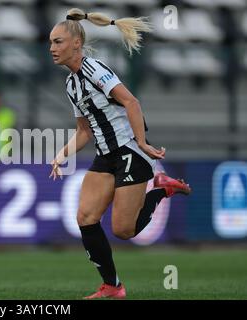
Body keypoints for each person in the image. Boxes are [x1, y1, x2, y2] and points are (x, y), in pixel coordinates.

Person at [48, 8, 191, 299]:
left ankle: (162, 191)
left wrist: (142, 143)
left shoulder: (94, 69)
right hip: (105, 156)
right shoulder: (71, 83)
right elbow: (84, 130)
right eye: (51, 42)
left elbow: (131, 102)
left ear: (76, 43)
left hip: (129, 151)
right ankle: (113, 287)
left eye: (58, 41)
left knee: (124, 231)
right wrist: (62, 153)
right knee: (86, 217)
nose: (52, 48)